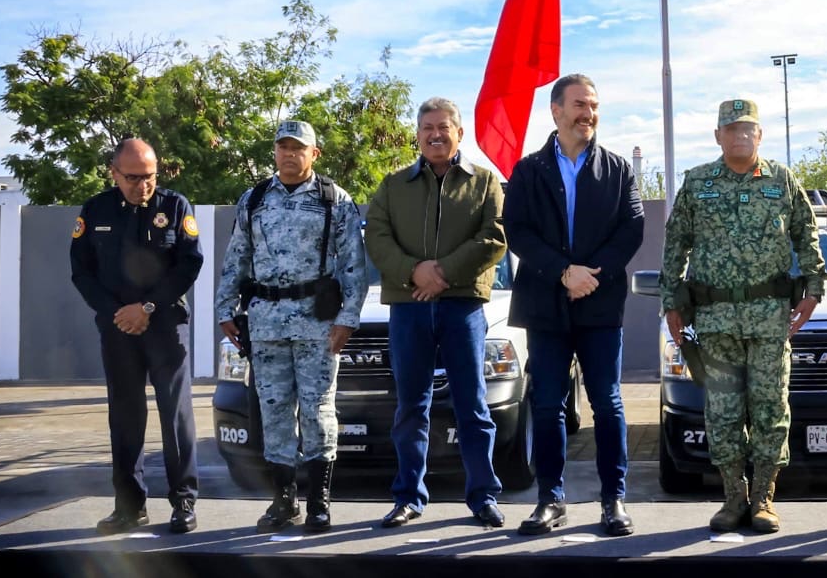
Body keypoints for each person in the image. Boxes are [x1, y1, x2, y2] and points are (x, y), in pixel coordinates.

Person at [659, 98, 824, 534]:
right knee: (723, 413)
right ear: (718, 136)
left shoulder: (782, 180)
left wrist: (813, 290)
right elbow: (675, 245)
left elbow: (807, 235)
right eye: (731, 129)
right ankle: (733, 497)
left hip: (770, 319)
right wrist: (671, 302)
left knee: (770, 409)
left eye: (748, 128)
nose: (740, 135)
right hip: (715, 321)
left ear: (760, 134)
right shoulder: (697, 182)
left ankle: (764, 498)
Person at [504, 74, 645, 537]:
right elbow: (518, 230)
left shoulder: (618, 169)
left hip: (599, 304)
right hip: (545, 304)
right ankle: (550, 500)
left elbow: (631, 228)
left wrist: (590, 275)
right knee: (547, 404)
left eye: (594, 105)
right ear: (556, 110)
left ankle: (613, 499)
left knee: (607, 402)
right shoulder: (528, 170)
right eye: (580, 104)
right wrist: (564, 272)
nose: (589, 113)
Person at [216, 120, 366, 534]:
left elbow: (353, 265)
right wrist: (225, 308)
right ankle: (284, 501)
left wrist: (347, 319)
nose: (289, 154)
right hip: (266, 322)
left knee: (318, 411)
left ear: (314, 154)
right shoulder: (254, 198)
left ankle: (318, 502)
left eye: (298, 148)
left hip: (318, 323)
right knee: (275, 411)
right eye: (283, 147)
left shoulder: (334, 199)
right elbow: (237, 255)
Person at [366, 97, 508, 529]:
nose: (435, 135)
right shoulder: (393, 185)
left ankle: (483, 496)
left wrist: (442, 273)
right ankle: (409, 497)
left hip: (463, 308)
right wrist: (415, 272)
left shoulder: (485, 182)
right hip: (409, 308)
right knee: (411, 407)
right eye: (427, 127)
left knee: (473, 406)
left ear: (459, 133)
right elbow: (376, 237)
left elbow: (494, 236)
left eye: (444, 127)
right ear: (417, 135)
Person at [70, 138, 203, 535]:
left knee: (175, 415)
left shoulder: (174, 206)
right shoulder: (95, 210)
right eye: (132, 178)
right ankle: (129, 507)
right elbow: (82, 271)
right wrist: (118, 313)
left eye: (149, 177)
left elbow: (189, 264)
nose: (142, 185)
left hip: (165, 326)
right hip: (118, 328)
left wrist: (146, 308)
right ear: (114, 173)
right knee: (125, 416)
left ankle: (184, 503)